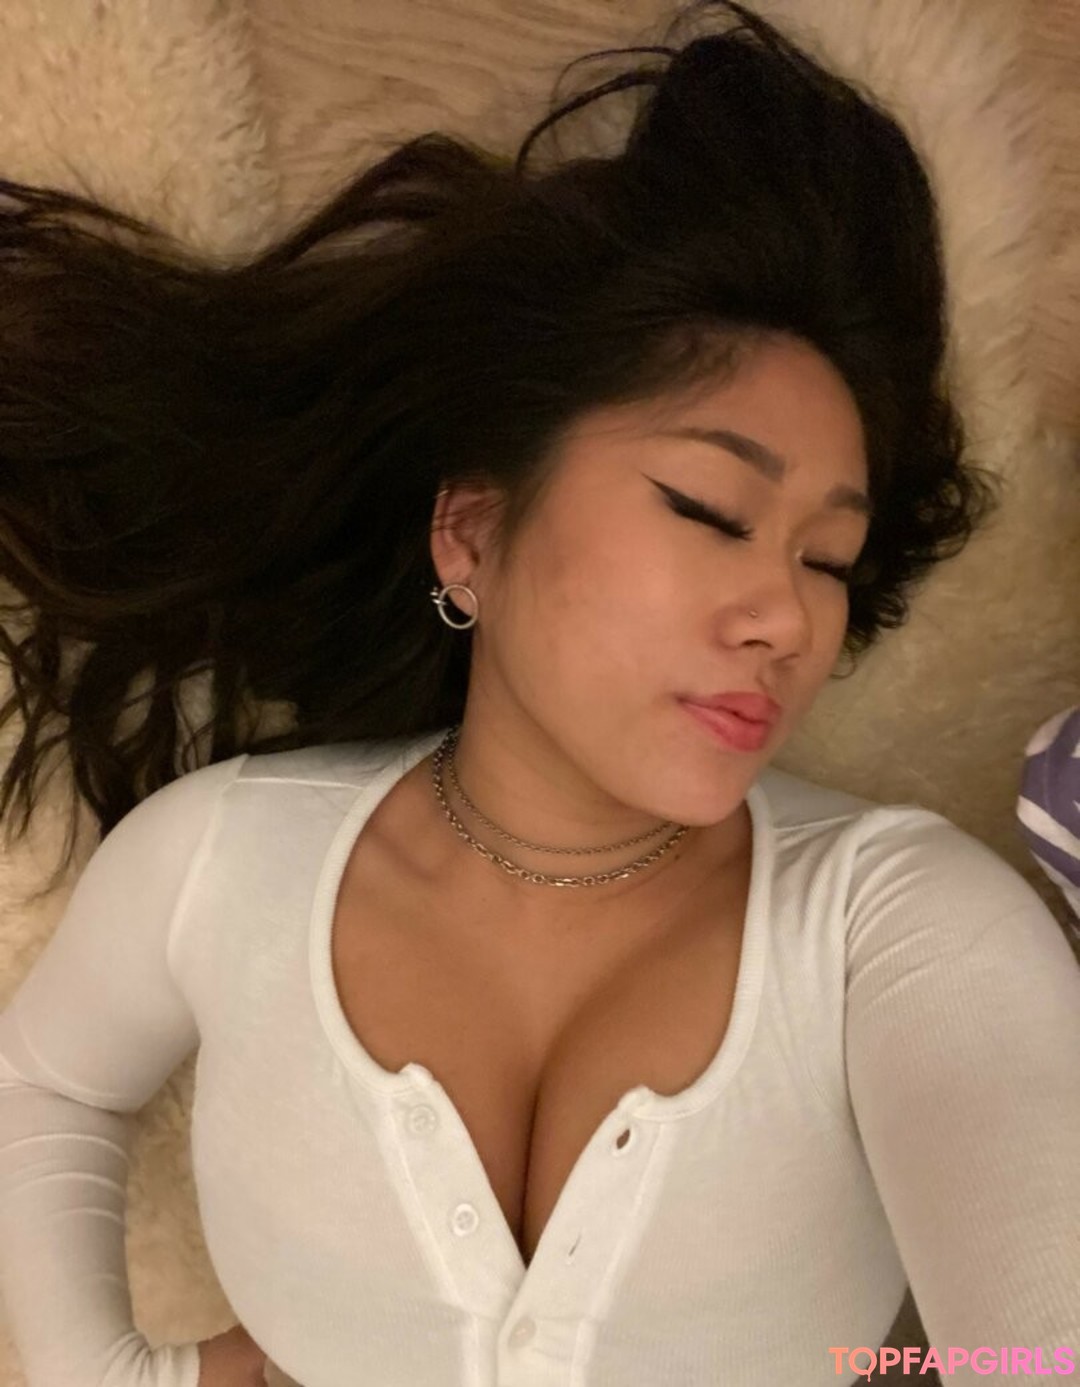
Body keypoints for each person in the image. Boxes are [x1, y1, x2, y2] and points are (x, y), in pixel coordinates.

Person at [0, 2, 1076, 1384]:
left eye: (829, 560)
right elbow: (44, 1083)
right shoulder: (214, 864)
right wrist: (105, 1373)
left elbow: (1039, 1357)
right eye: (710, 510)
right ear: (473, 531)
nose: (787, 617)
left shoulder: (894, 929)